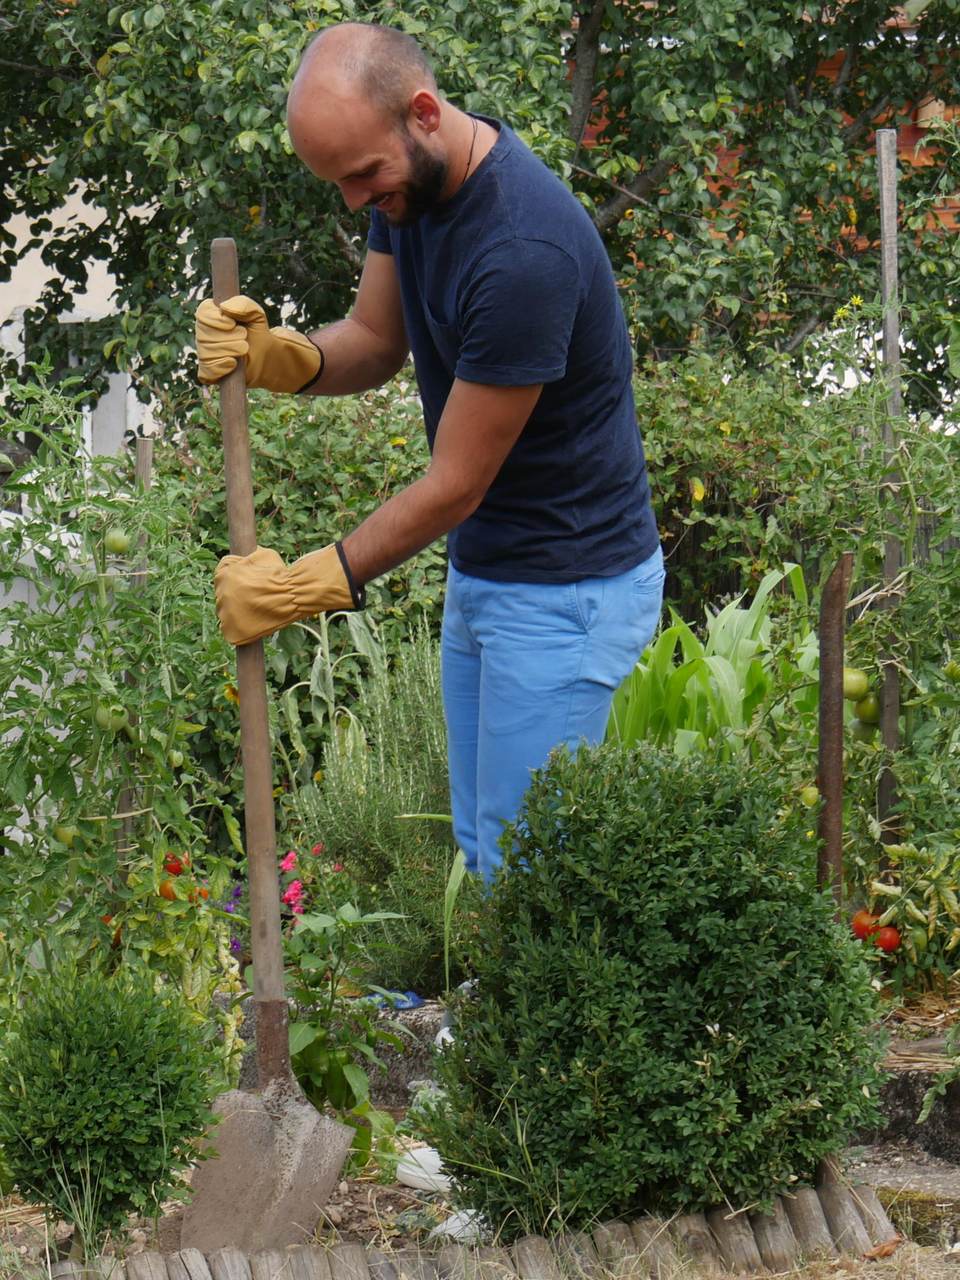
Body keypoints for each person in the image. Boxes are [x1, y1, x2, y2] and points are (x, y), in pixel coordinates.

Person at [196, 22, 664, 884]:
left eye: (362, 175)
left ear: (422, 113)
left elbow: (454, 484)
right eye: (339, 182)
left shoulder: (522, 254)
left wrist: (302, 588)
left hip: (566, 588)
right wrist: (279, 358)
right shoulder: (411, 189)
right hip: (490, 566)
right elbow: (376, 340)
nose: (354, 200)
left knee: (527, 873)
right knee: (488, 850)